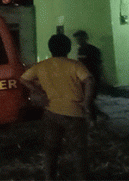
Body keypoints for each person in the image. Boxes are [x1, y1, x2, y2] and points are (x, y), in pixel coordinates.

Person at [20, 34, 94, 181]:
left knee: (50, 150)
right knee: (78, 152)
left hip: (51, 112)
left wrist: (38, 91)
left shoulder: (42, 65)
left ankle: (50, 178)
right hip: (74, 114)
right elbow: (89, 81)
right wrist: (86, 103)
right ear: (67, 48)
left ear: (50, 48)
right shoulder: (75, 65)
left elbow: (23, 79)